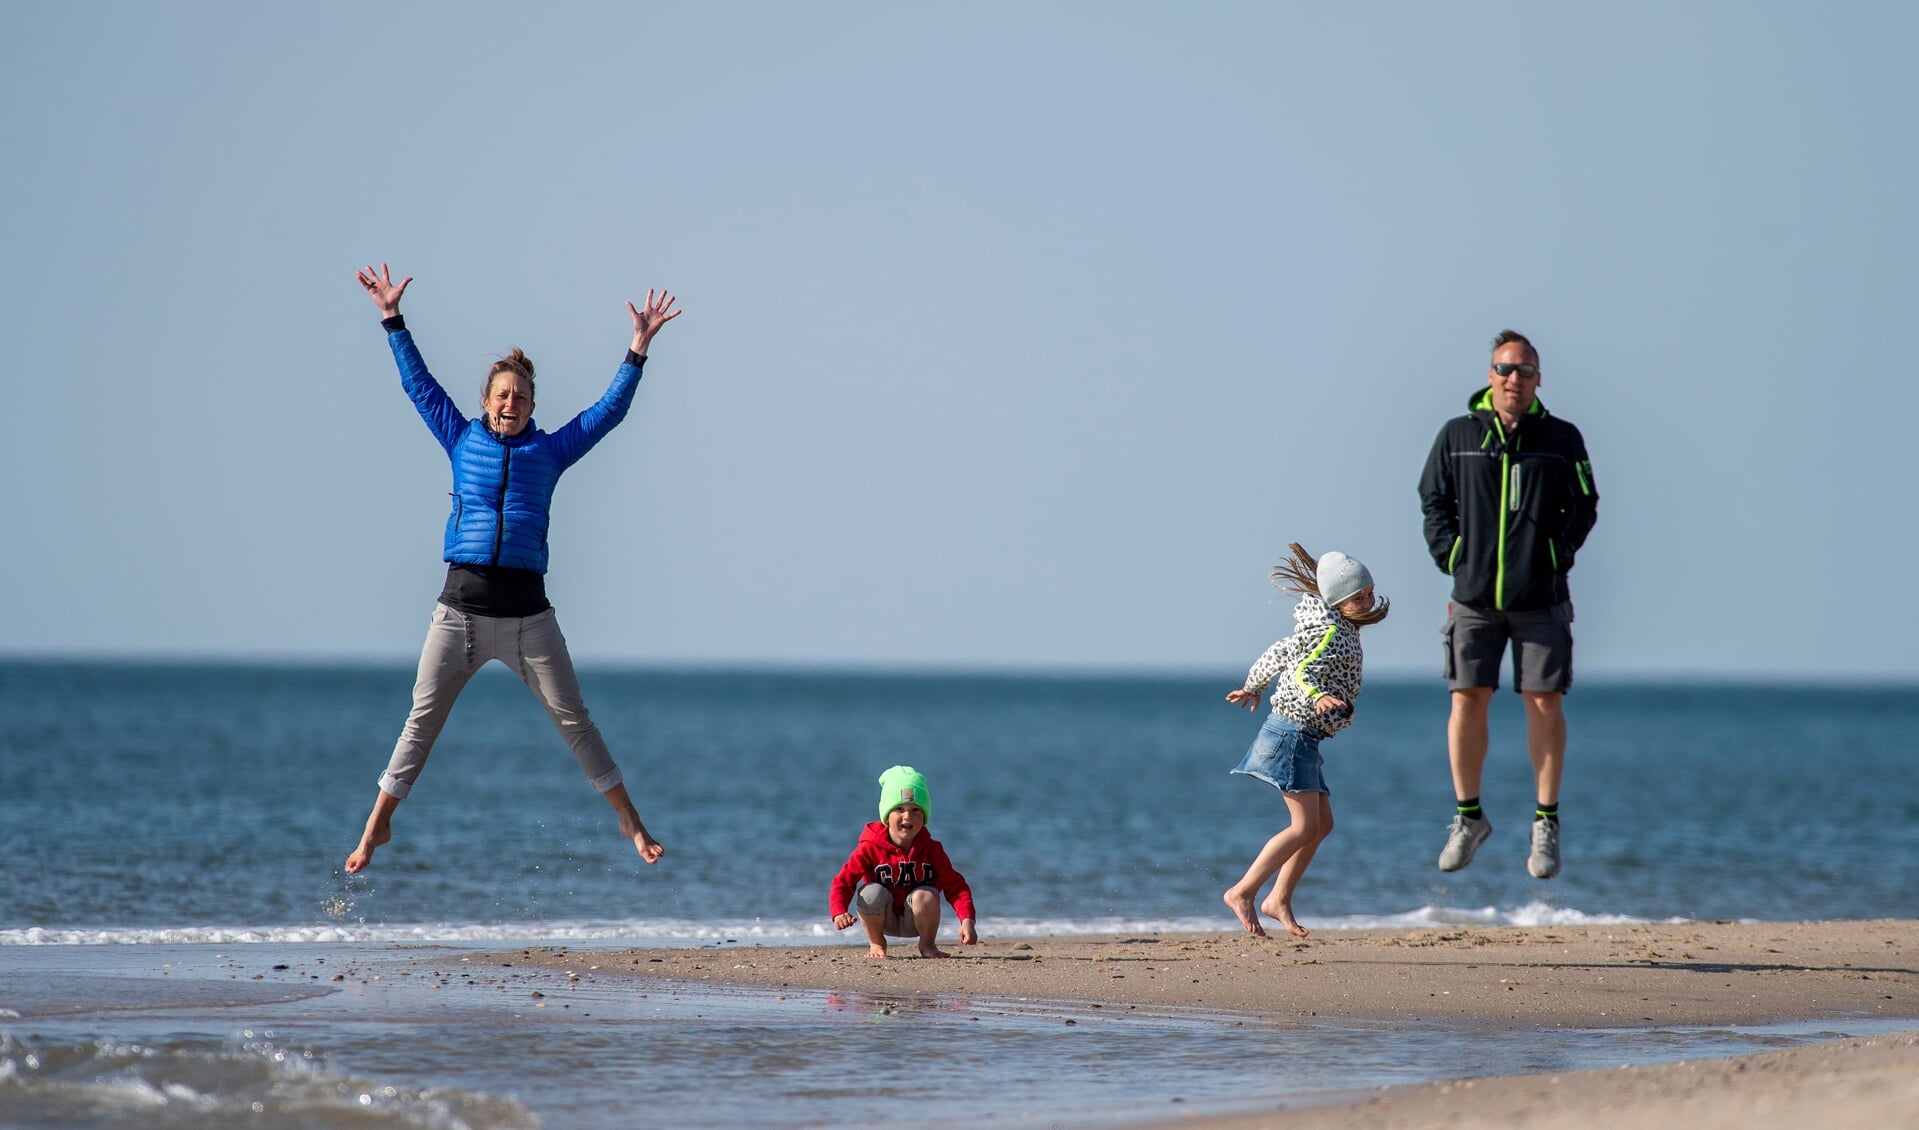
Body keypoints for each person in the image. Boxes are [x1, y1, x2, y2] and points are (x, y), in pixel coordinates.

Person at [343, 263, 680, 875]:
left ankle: (631, 821)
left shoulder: (548, 451)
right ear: (486, 401)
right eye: (501, 395)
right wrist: (392, 319)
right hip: (460, 615)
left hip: (529, 618)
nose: (510, 403)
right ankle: (376, 828)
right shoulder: (460, 438)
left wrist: (637, 349)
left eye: (520, 397)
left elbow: (607, 414)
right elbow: (419, 386)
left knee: (576, 721)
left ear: (531, 405)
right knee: (421, 722)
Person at [1418, 329, 1598, 880]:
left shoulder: (1561, 437)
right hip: (1473, 598)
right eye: (1504, 369)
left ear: (1539, 379)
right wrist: (1453, 557)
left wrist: (1555, 555)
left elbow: (1584, 504)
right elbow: (1433, 499)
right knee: (1466, 699)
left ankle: (1546, 824)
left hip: (1541, 598)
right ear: (1489, 375)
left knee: (1545, 703)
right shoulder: (1457, 435)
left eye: (1524, 371)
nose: (1513, 379)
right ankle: (1468, 817)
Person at [1223, 544, 1389, 938]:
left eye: (1369, 592)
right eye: (1358, 597)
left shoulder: (1335, 625)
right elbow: (1298, 673)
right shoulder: (1331, 631)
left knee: (1322, 825)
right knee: (1303, 827)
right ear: (1338, 601)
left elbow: (1281, 649)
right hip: (1291, 733)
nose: (1368, 601)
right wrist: (1317, 696)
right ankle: (1242, 892)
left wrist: (1253, 685)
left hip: (1305, 737)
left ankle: (1278, 898)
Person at [829, 766, 979, 958]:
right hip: (882, 918)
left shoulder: (932, 849)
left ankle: (927, 945)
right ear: (886, 816)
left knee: (925, 895)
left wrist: (967, 920)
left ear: (924, 817)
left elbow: (956, 887)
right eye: (899, 809)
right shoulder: (869, 847)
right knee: (870, 893)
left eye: (916, 809)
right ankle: (877, 944)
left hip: (917, 920)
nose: (907, 815)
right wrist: (839, 912)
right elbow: (843, 882)